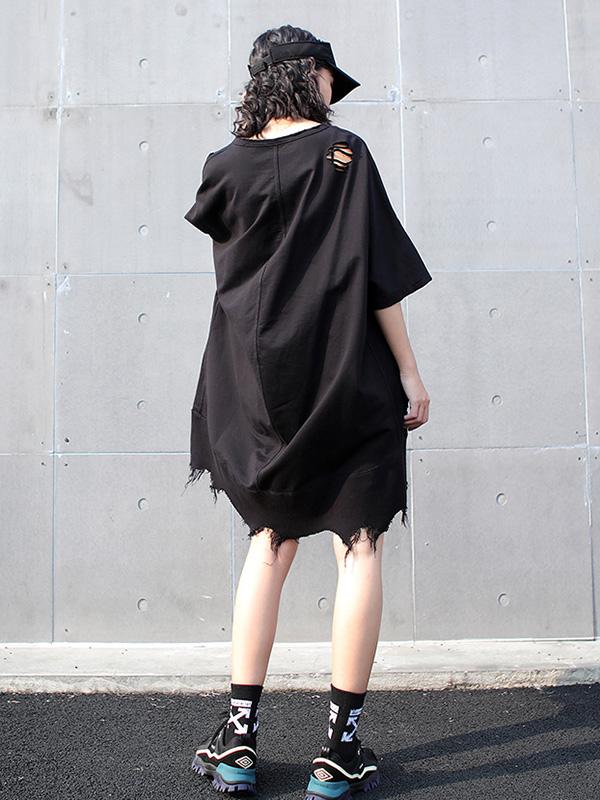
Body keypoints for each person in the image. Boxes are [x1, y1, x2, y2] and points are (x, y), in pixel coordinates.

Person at [184, 25, 432, 799]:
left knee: (269, 543)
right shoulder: (344, 155)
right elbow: (377, 275)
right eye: (329, 76)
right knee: (359, 547)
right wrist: (410, 371)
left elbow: (241, 273)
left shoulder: (224, 166)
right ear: (308, 75)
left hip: (256, 390)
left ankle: (238, 742)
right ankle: (338, 751)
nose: (333, 89)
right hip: (348, 376)